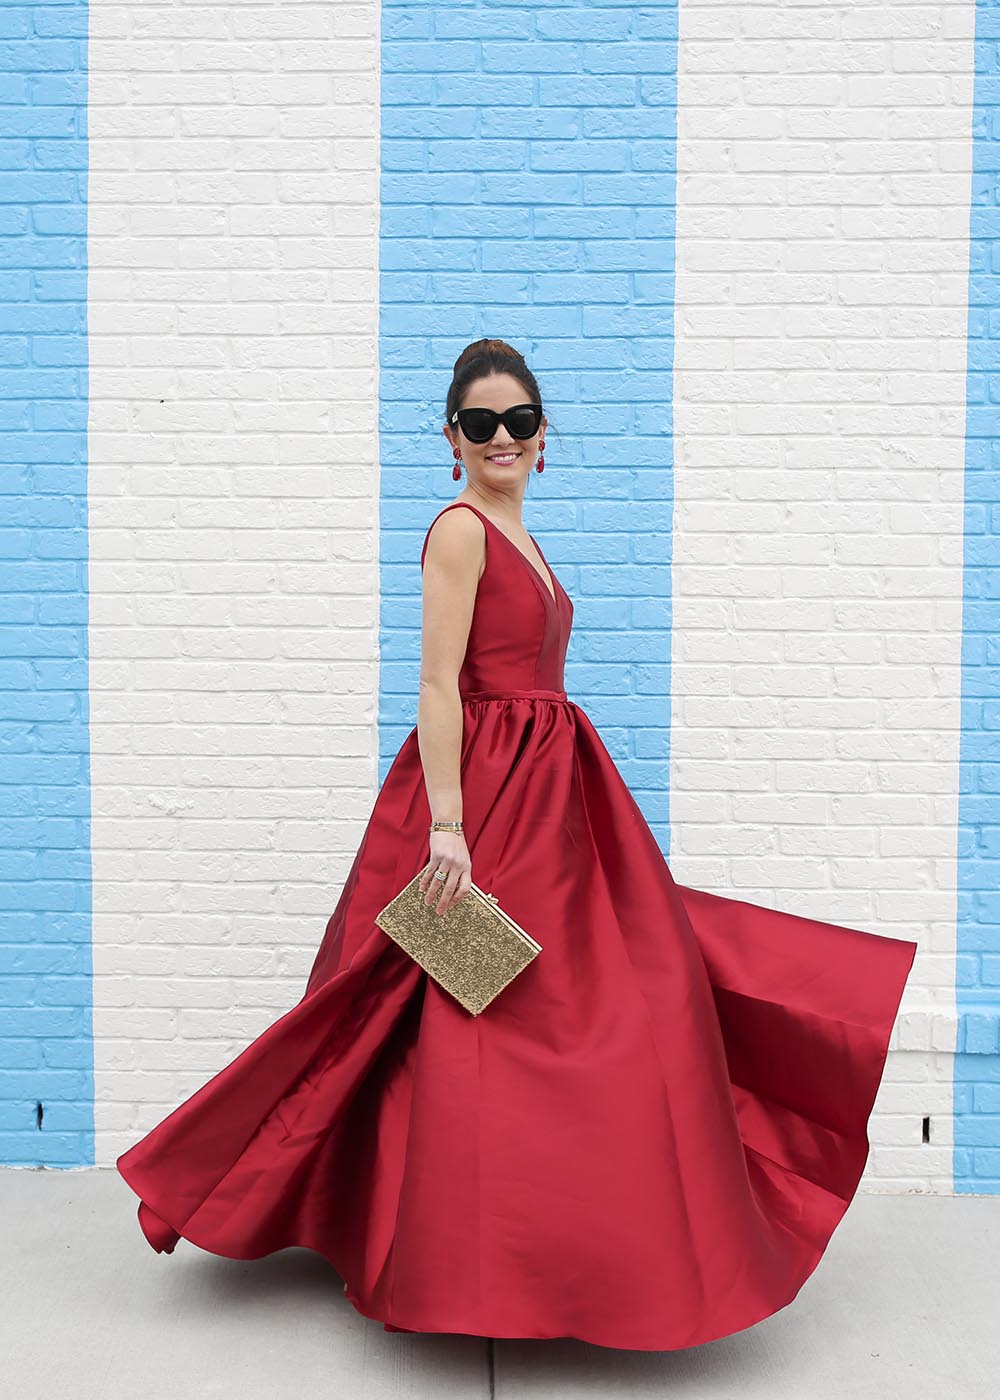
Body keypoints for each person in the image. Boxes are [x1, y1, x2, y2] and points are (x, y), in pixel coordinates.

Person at [116, 338, 919, 1352]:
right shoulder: (458, 531)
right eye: (482, 422)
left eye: (521, 420)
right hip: (486, 797)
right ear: (452, 439)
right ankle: (454, 1256)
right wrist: (449, 826)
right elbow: (437, 684)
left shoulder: (517, 531)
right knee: (459, 1010)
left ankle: (560, 1251)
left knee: (613, 993)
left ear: (546, 439)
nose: (504, 437)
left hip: (554, 786)